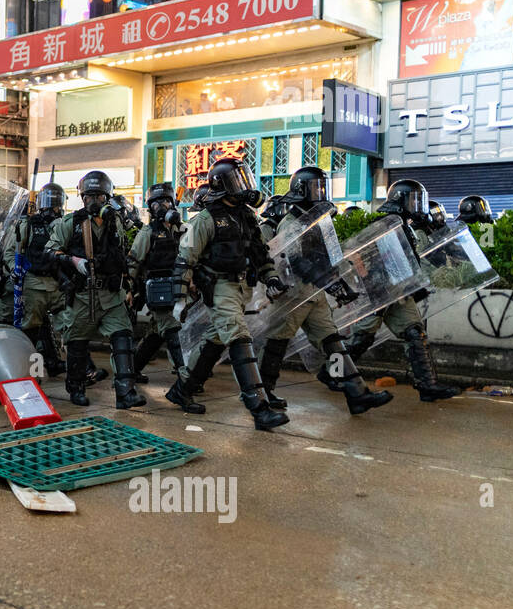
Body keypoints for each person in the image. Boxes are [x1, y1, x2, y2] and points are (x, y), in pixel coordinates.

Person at [257, 167, 393, 416]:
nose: (320, 192)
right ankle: (264, 394)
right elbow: (296, 260)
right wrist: (331, 283)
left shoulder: (320, 221)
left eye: (322, 186)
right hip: (294, 294)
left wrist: (342, 283)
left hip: (316, 294)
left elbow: (333, 257)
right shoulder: (291, 221)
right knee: (277, 344)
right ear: (300, 190)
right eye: (315, 187)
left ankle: (355, 392)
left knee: (333, 343)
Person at [172, 157, 290, 430]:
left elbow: (260, 253)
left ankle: (182, 389)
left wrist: (271, 278)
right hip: (218, 287)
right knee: (239, 337)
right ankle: (259, 408)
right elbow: (184, 258)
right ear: (222, 185)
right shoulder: (202, 220)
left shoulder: (247, 216)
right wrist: (179, 299)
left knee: (216, 341)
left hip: (241, 288)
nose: (244, 185)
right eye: (237, 180)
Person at [346, 180, 458, 402]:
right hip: (381, 293)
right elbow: (365, 262)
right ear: (400, 200)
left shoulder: (404, 225)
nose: (418, 205)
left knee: (415, 333)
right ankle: (332, 373)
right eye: (414, 200)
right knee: (362, 338)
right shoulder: (385, 224)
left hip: (400, 292)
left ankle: (428, 386)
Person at [46, 170, 145, 409]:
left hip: (111, 295)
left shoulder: (117, 222)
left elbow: (126, 253)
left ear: (107, 197)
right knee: (77, 344)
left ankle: (125, 392)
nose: (94, 201)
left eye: (99, 196)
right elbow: (49, 252)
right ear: (82, 198)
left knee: (123, 337)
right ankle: (76, 388)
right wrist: (73, 261)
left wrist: (129, 285)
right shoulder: (70, 223)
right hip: (82, 296)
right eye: (89, 196)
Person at [128, 182, 202, 411]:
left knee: (156, 335)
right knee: (174, 335)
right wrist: (129, 289)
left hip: (182, 292)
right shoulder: (147, 233)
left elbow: (194, 259)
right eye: (157, 203)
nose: (163, 206)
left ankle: (131, 370)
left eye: (167, 201)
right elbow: (133, 262)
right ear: (150, 208)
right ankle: (184, 386)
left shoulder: (184, 230)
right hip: (160, 292)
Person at [5, 182, 67, 378]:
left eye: (55, 204)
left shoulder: (64, 226)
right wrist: (14, 269)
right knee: (30, 329)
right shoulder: (29, 225)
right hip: (34, 284)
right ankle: (30, 373)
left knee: (71, 328)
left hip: (58, 284)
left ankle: (82, 371)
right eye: (50, 204)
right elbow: (10, 251)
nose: (53, 209)